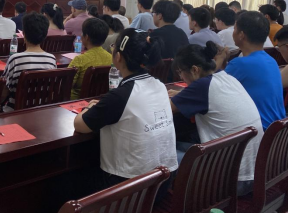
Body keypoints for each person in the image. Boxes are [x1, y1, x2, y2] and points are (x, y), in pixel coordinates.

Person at [73, 29, 177, 198]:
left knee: (69, 181)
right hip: (162, 184)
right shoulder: (159, 85)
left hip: (131, 191)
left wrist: (88, 108)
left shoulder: (120, 96)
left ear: (118, 57)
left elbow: (80, 125)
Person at [169, 42, 263, 196]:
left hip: (230, 181)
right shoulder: (227, 78)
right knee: (181, 145)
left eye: (180, 72)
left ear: (195, 70)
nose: (181, 77)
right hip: (255, 174)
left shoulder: (201, 87)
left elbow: (165, 109)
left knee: (165, 155)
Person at [220, 11, 285, 130]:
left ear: (241, 35)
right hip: (277, 132)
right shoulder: (271, 61)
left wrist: (219, 62)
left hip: (257, 134)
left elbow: (212, 91)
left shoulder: (240, 64)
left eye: (235, 29)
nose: (233, 32)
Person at [2, 12, 57, 112]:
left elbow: (4, 91)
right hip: (41, 110)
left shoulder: (15, 59)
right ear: (45, 35)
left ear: (24, 34)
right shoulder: (51, 59)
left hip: (15, 112)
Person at [69, 18, 112, 99]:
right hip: (102, 100)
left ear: (86, 37)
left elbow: (66, 85)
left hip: (77, 101)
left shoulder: (80, 60)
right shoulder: (112, 59)